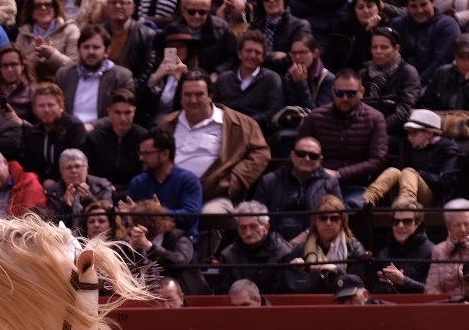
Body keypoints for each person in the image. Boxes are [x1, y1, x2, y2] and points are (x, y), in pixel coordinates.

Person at [156, 69, 270, 258]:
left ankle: (198, 265)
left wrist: (240, 175)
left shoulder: (239, 123)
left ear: (211, 96)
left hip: (215, 193)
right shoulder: (168, 123)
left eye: (199, 94)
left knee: (210, 215)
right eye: (187, 95)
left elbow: (261, 151)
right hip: (173, 194)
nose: (193, 100)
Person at [297, 69, 389, 203]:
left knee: (353, 210)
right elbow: (300, 152)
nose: (345, 98)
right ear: (333, 91)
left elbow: (377, 160)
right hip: (319, 182)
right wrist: (321, 172)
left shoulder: (375, 118)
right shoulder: (315, 117)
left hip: (356, 184)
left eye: (351, 94)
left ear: (361, 92)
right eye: (340, 93)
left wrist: (339, 174)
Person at [353, 109, 458, 209]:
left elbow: (447, 181)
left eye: (414, 133)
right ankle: (367, 200)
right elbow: (400, 168)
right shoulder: (407, 145)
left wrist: (419, 174)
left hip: (431, 197)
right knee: (393, 171)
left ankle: (407, 203)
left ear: (429, 133)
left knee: (409, 171)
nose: (409, 137)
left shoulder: (446, 147)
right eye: (408, 133)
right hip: (401, 192)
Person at [252, 135, 342, 243]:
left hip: (316, 241)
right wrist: (278, 244)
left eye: (313, 156)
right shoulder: (269, 181)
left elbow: (338, 217)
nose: (307, 159)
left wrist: (306, 236)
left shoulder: (330, 183)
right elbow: (256, 216)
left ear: (320, 160)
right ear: (292, 155)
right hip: (272, 242)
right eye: (301, 154)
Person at [123, 129, 203, 239]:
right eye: (141, 153)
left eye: (147, 153)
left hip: (180, 243)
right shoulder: (138, 182)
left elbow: (190, 216)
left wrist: (160, 212)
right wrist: (130, 214)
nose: (141, 158)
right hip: (143, 242)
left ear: (165, 154)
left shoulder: (188, 180)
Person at [53, 25, 134, 130]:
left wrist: (92, 126)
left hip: (104, 133)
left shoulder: (121, 77)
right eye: (86, 47)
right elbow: (57, 108)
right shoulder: (64, 74)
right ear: (79, 50)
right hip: (68, 132)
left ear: (107, 51)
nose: (91, 52)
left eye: (96, 47)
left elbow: (123, 113)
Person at [118, 196, 204, 294]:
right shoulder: (132, 241)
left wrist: (149, 247)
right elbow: (120, 271)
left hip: (181, 296)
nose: (129, 230)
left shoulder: (179, 238)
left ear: (146, 225)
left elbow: (180, 261)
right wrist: (130, 250)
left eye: (132, 225)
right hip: (146, 296)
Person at [286, 195, 368, 293]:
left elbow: (360, 287)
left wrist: (336, 272)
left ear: (342, 221)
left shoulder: (355, 248)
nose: (328, 223)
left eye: (334, 218)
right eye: (323, 218)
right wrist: (294, 270)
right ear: (315, 221)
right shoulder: (300, 250)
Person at [213, 30, 285, 134]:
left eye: (257, 52)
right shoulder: (224, 79)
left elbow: (275, 111)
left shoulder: (272, 79)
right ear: (239, 53)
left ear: (263, 57)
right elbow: (214, 106)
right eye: (248, 51)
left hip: (256, 131)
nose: (252, 55)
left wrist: (244, 122)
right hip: (224, 130)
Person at [359, 27, 421, 145]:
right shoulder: (363, 73)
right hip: (366, 128)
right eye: (374, 47)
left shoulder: (408, 72)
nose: (378, 51)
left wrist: (378, 128)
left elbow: (404, 111)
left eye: (384, 47)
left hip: (396, 131)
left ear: (396, 48)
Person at [391, 0, 462, 89]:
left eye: (423, 4)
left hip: (434, 84)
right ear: (407, 7)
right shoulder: (397, 24)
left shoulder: (447, 25)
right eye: (414, 6)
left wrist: (414, 86)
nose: (419, 10)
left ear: (433, 2)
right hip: (401, 82)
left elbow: (440, 62)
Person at [217, 199, 293, 294]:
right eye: (243, 228)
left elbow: (282, 293)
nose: (248, 233)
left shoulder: (283, 253)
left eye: (254, 226)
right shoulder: (228, 255)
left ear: (266, 227)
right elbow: (225, 293)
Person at [20, 82, 86, 188]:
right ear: (34, 109)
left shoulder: (74, 127)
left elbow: (78, 164)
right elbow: (29, 167)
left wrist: (58, 185)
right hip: (40, 185)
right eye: (41, 106)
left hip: (71, 184)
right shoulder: (32, 132)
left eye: (51, 105)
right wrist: (43, 181)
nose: (46, 110)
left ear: (61, 106)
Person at [160, 0, 238, 76]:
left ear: (208, 11)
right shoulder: (171, 31)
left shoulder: (222, 28)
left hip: (213, 79)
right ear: (183, 11)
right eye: (191, 11)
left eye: (202, 12)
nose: (197, 16)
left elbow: (232, 58)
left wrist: (217, 73)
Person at [83, 88, 145, 191]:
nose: (123, 118)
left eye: (127, 113)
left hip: (134, 191)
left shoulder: (144, 138)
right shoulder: (95, 138)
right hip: (100, 191)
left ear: (134, 112)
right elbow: (89, 173)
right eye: (118, 113)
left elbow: (146, 174)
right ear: (109, 112)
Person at [14, 0, 78, 85]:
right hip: (31, 87)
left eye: (48, 4)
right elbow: (17, 70)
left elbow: (75, 67)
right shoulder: (23, 34)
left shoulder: (71, 30)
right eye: (37, 6)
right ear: (31, 11)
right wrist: (36, 55)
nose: (43, 8)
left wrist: (51, 54)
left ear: (55, 8)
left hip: (63, 85)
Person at [426, 198, 469, 294]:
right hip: (448, 306)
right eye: (456, 225)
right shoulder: (439, 250)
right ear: (448, 227)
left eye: (467, 224)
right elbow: (431, 289)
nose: (462, 229)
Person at [371, 197, 434, 294]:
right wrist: (390, 286)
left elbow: (434, 290)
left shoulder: (432, 252)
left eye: (407, 221)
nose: (400, 226)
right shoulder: (383, 255)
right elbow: (374, 291)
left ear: (417, 224)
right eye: (396, 222)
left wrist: (403, 281)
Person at [417, 33, 469, 113]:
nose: (466, 63)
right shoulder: (443, 73)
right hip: (444, 123)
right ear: (455, 57)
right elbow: (425, 105)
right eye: (462, 57)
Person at [249, 0, 312, 75]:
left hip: (287, 79)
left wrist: (260, 57)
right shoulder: (255, 25)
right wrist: (272, 55)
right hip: (256, 76)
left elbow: (297, 59)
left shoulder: (300, 26)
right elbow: (246, 54)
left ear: (285, 0)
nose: (271, 0)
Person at [326, 0, 391, 73]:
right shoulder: (343, 28)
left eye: (369, 6)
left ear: (378, 8)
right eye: (360, 7)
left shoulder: (388, 27)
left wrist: (371, 32)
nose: (366, 11)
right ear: (354, 11)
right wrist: (364, 33)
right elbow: (331, 61)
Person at [46, 147, 113, 228]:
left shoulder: (102, 186)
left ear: (87, 168)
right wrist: (65, 206)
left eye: (77, 166)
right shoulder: (53, 192)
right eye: (69, 167)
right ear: (61, 171)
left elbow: (109, 217)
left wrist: (89, 200)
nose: (74, 170)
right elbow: (53, 223)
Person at [100, 0, 157, 79]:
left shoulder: (146, 35)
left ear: (132, 8)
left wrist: (130, 88)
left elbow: (147, 72)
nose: (118, 6)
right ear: (107, 7)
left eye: (123, 3)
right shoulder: (98, 32)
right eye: (113, 2)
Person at [282, 33, 334, 112]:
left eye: (302, 52)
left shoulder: (328, 79)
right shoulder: (288, 76)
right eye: (294, 53)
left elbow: (317, 114)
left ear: (315, 53)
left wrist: (300, 83)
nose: (297, 57)